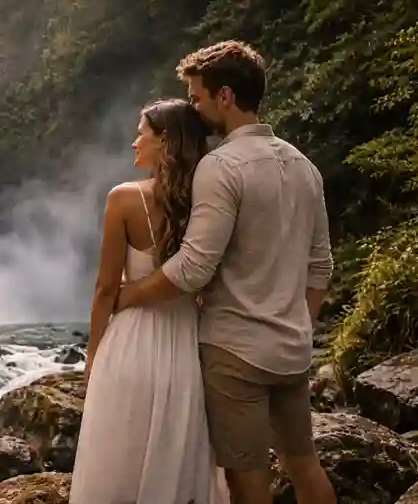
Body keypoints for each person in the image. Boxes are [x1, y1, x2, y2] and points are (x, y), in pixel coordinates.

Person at [114, 40, 337, 504]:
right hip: (291, 348)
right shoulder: (305, 167)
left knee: (246, 481)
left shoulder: (220, 167)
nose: (193, 110)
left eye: (196, 97)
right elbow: (321, 268)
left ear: (226, 97)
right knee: (305, 468)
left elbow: (194, 266)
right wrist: (300, 324)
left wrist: (128, 295)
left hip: (235, 353)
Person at [69, 98, 230, 504]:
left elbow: (105, 288)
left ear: (164, 141)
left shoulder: (123, 198)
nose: (134, 142)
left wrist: (92, 353)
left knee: (119, 456)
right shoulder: (206, 202)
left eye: (141, 133)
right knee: (173, 453)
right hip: (185, 343)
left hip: (130, 342)